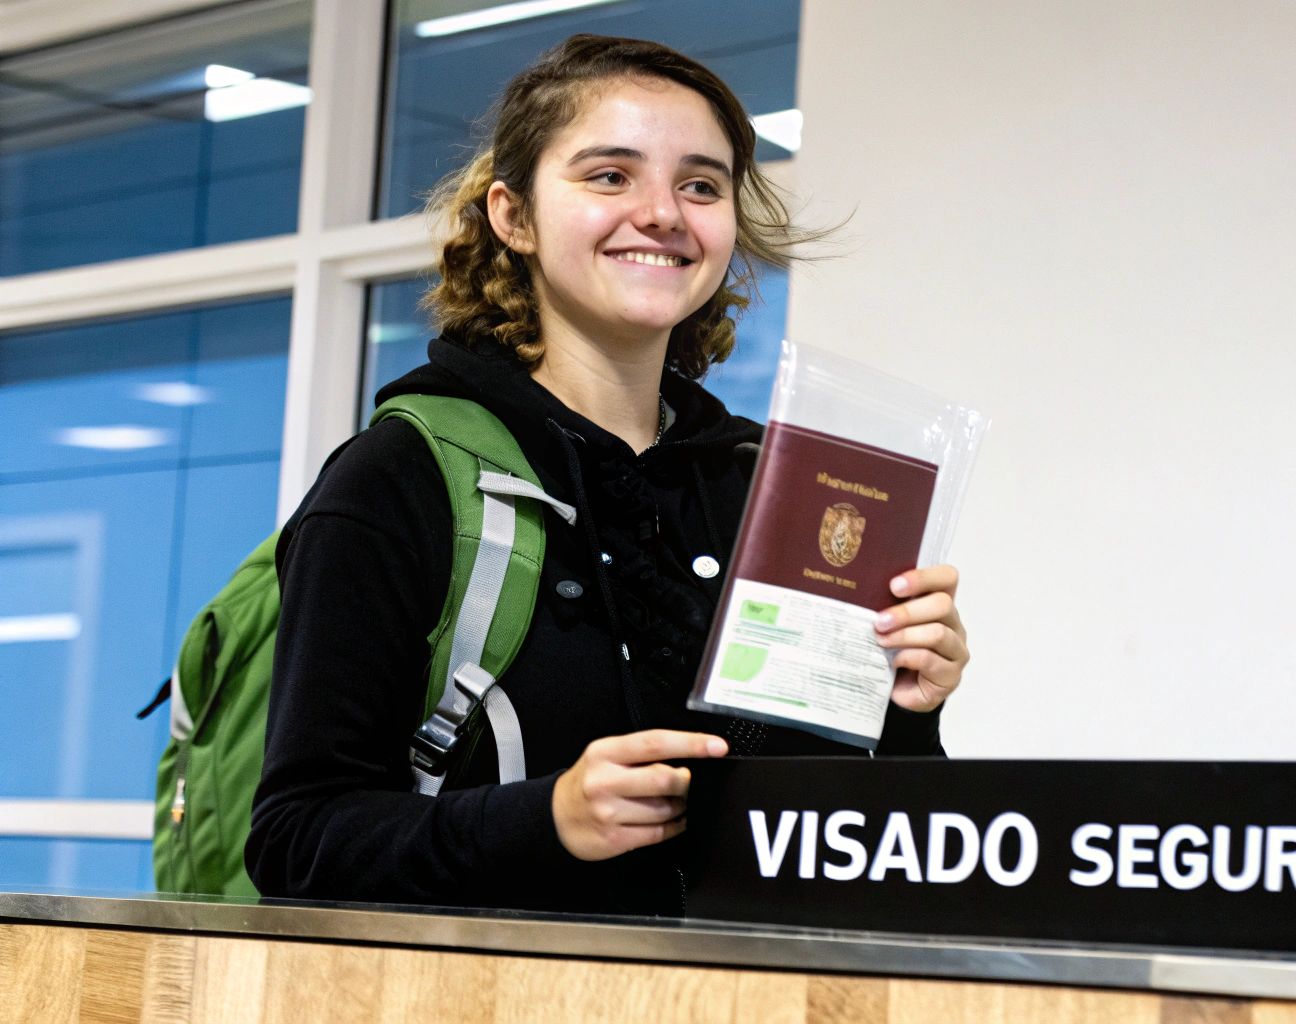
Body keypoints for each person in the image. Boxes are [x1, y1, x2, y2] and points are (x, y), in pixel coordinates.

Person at [245, 35, 970, 914]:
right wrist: (546, 818)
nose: (663, 213)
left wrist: (905, 711)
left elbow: (852, 847)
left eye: (700, 185)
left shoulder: (763, 490)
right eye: (609, 176)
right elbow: (296, 841)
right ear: (512, 216)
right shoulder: (398, 480)